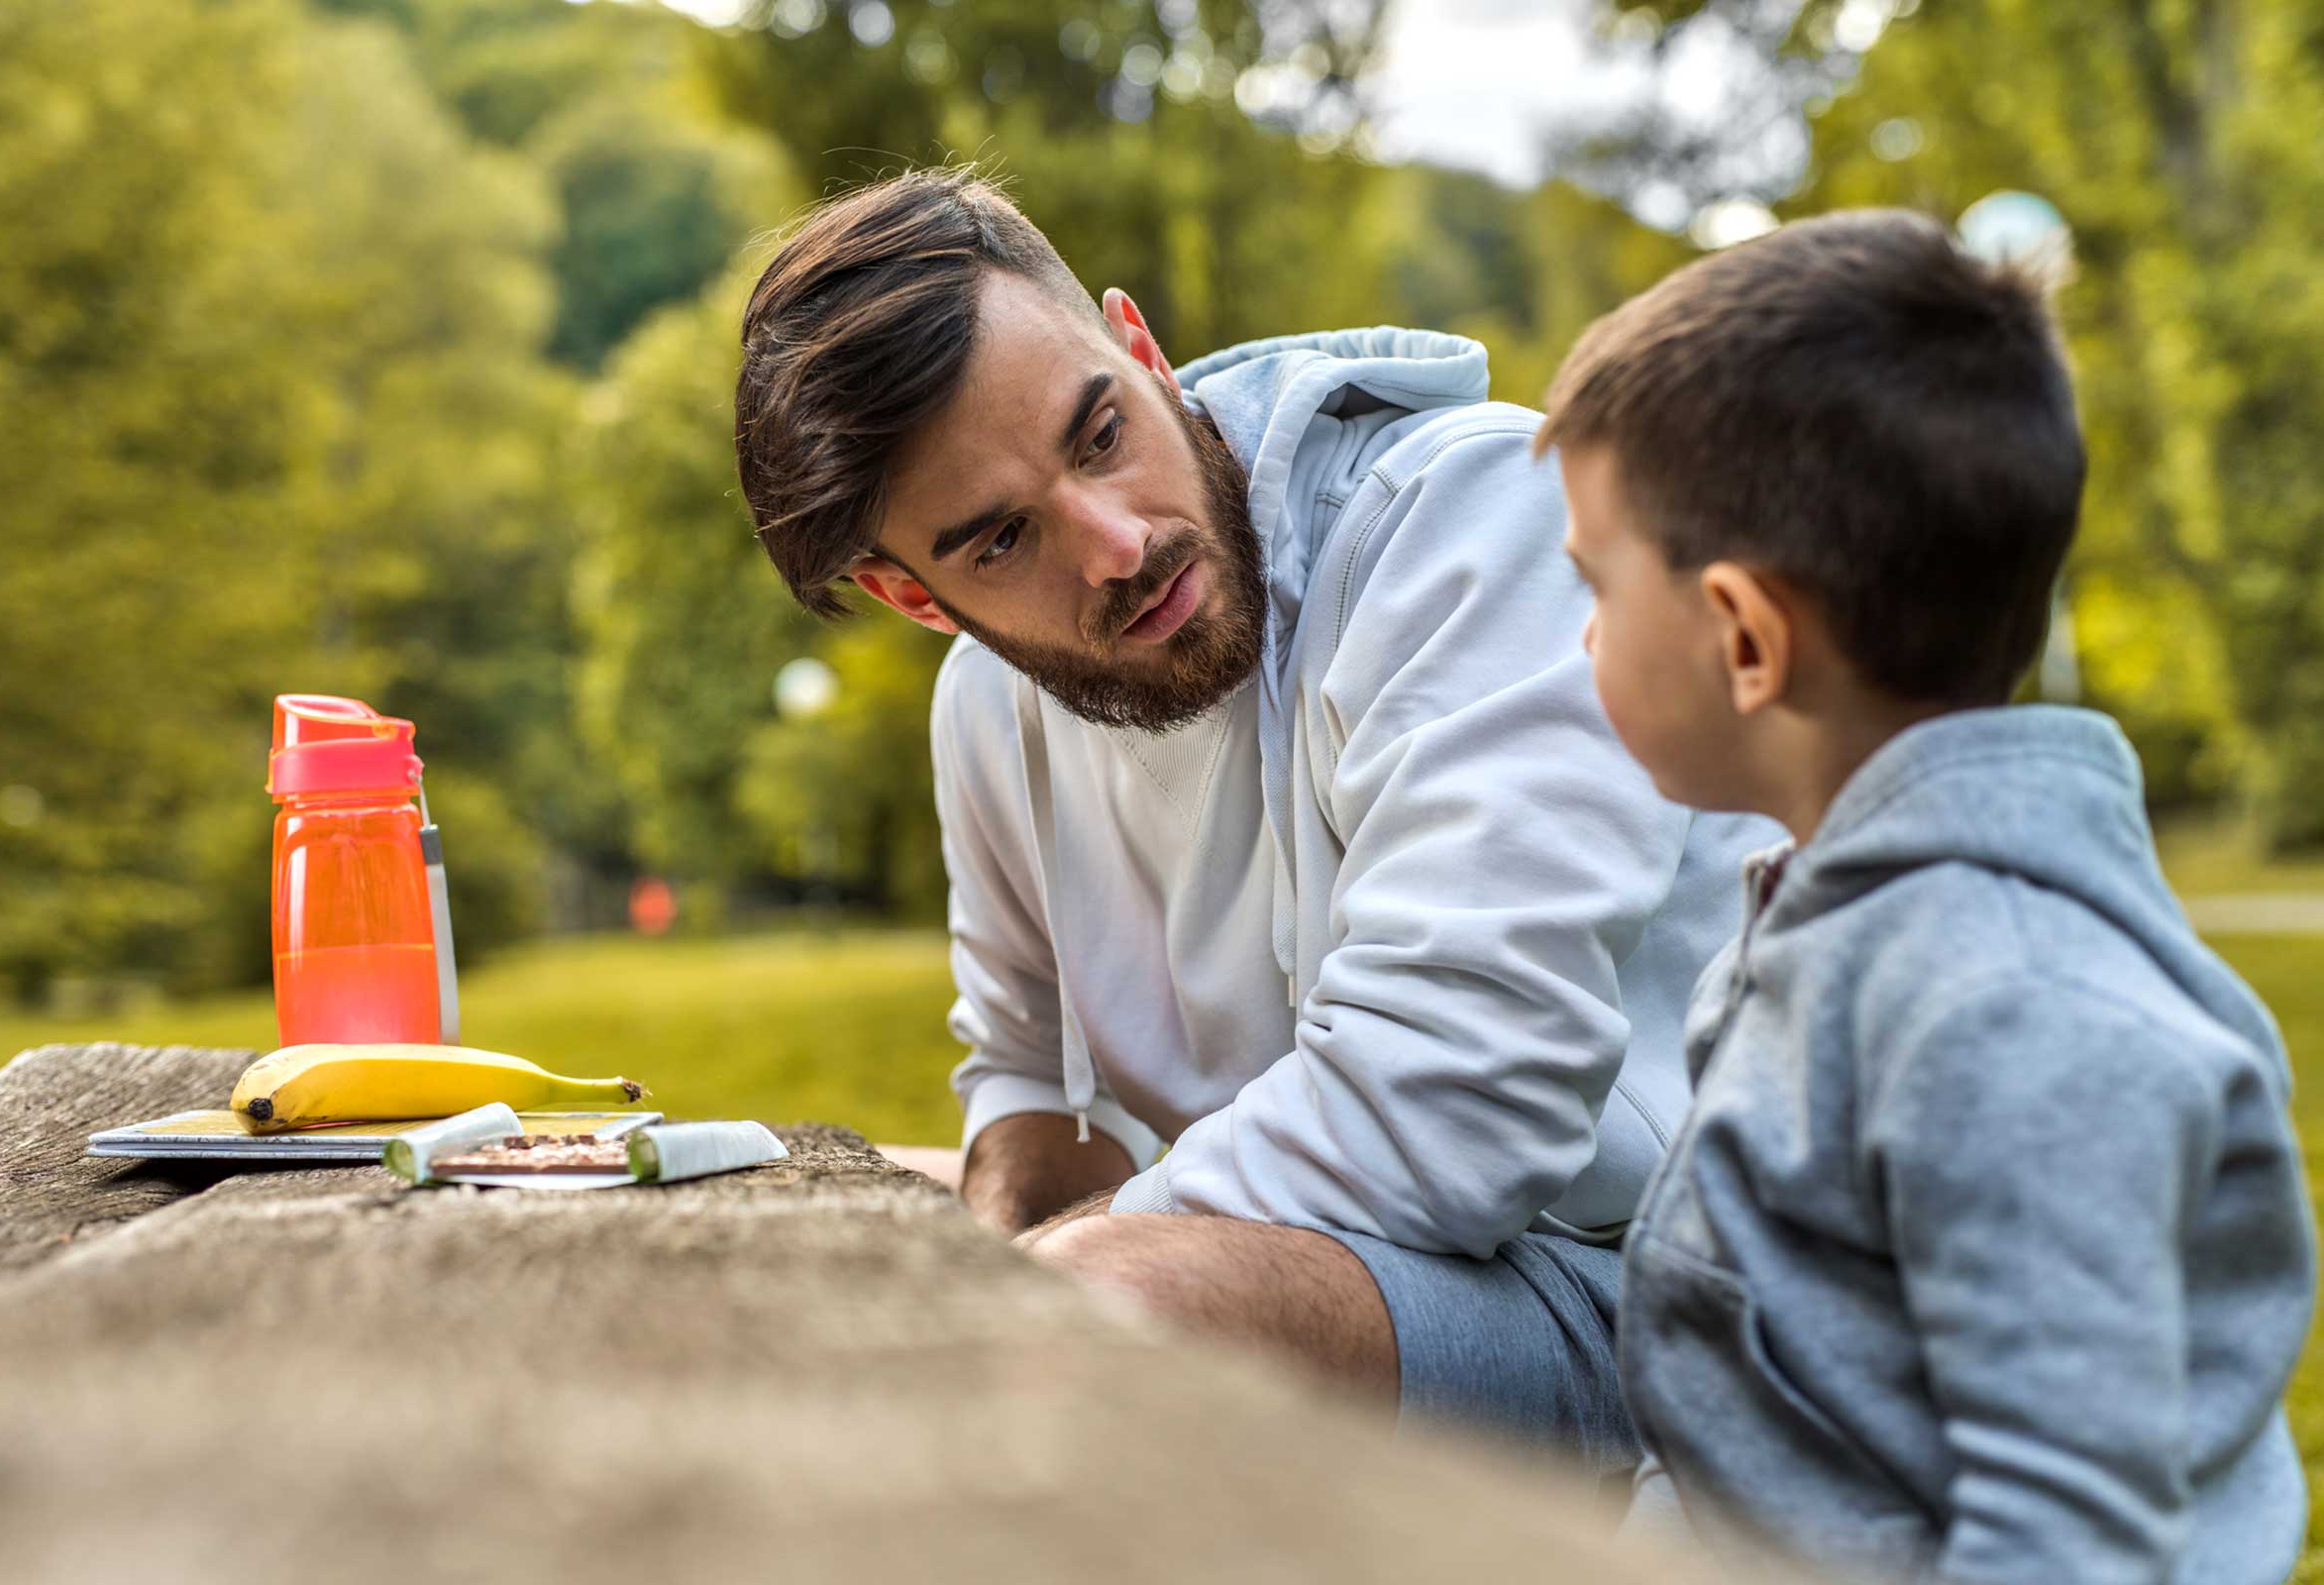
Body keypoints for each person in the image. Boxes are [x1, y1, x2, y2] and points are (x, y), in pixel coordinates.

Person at [731, 167, 1771, 1467]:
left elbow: (1464, 1103)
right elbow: (1026, 1082)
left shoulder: (1471, 521)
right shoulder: (986, 713)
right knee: (783, 1198)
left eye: (1099, 433)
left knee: (1094, 1314)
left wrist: (1060, 1267)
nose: (1113, 544)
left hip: (1684, 1305)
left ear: (1142, 350)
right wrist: (1021, 1218)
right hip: (1376, 1271)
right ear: (916, 597)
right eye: (1001, 541)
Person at [1541, 208, 2315, 1581]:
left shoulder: (2009, 1012)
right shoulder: (1831, 922)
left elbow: (2068, 1546)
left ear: (1744, 635)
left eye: (1595, 584)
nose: (1584, 635)